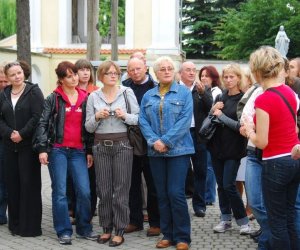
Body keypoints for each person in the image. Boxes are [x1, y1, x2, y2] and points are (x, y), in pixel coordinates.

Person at [35, 61, 97, 245]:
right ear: (61, 79)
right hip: (57, 150)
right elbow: (43, 124)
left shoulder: (86, 97)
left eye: (75, 74)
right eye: (69, 76)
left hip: (79, 151)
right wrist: (42, 149)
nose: (74, 78)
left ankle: (84, 228)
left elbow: (89, 128)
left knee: (85, 191)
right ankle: (63, 231)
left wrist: (89, 151)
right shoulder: (53, 98)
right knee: (60, 192)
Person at [244, 46, 300, 250]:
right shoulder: (290, 93)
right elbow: (294, 127)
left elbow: (262, 142)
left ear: (257, 71)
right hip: (294, 159)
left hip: (275, 163)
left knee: (276, 222)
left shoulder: (264, 98)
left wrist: (249, 130)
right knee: (290, 216)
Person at [139, 56, 194, 250]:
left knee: (175, 193)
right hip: (156, 152)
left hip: (178, 151)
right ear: (156, 72)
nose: (167, 71)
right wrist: (154, 141)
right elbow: (143, 121)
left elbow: (185, 121)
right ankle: (167, 234)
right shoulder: (148, 96)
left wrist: (166, 141)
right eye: (162, 69)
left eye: (170, 68)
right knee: (161, 194)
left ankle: (182, 237)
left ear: (175, 71)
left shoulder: (184, 93)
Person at [85, 60, 139, 247]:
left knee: (121, 190)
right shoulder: (93, 96)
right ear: (101, 76)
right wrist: (97, 117)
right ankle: (106, 229)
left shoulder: (127, 92)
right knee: (104, 190)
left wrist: (124, 116)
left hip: (122, 145)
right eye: (109, 73)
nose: (113, 75)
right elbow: (88, 127)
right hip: (100, 146)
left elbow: (137, 119)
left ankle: (120, 229)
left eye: (116, 72)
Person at [0, 61, 44, 236]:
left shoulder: (33, 91)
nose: (16, 76)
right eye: (12, 75)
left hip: (28, 147)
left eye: (19, 73)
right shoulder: (4, 94)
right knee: (13, 185)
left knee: (29, 185)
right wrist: (10, 133)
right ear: (8, 78)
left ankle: (30, 227)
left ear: (23, 73)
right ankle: (15, 225)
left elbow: (38, 116)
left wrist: (22, 134)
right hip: (9, 146)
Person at [207, 63, 251, 235]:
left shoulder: (243, 99)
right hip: (217, 147)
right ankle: (225, 219)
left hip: (234, 149)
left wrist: (221, 116)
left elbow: (240, 126)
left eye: (232, 76)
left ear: (239, 78)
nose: (228, 79)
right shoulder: (221, 96)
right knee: (221, 186)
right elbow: (212, 118)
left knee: (229, 185)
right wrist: (213, 110)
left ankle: (244, 222)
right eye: (225, 77)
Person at [122, 57, 160, 237]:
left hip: (150, 141)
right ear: (128, 71)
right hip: (130, 141)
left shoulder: (155, 86)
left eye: (138, 68)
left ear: (146, 68)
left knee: (153, 184)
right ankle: (134, 220)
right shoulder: (124, 87)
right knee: (132, 184)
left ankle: (155, 222)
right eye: (131, 69)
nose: (135, 72)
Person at [65, 59, 99, 224]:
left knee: (90, 179)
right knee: (73, 179)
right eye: (81, 69)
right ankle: (75, 210)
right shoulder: (71, 91)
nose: (85, 73)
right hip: (72, 141)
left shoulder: (97, 91)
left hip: (91, 140)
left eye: (88, 69)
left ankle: (89, 213)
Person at [179, 61, 213, 218]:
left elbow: (211, 109)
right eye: (188, 70)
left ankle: (199, 205)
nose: (192, 73)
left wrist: (203, 94)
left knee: (201, 171)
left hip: (198, 134)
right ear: (180, 73)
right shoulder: (176, 89)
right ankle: (180, 204)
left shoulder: (202, 89)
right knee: (181, 171)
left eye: (194, 70)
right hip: (180, 135)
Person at [239, 84, 271, 249]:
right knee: (255, 202)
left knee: (273, 203)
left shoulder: (288, 92)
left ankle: (268, 239)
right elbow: (243, 113)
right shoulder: (256, 90)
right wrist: (246, 126)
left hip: (275, 153)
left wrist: (252, 130)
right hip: (253, 151)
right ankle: (273, 232)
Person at [198, 66, 222, 205]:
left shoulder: (216, 92)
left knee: (209, 166)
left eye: (207, 76)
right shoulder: (204, 90)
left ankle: (209, 196)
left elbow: (210, 111)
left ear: (213, 78)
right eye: (202, 75)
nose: (204, 78)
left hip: (211, 133)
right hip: (204, 132)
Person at [0, 65, 8, 225]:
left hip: (6, 142)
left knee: (3, 180)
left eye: (5, 81)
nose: (3, 84)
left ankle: (1, 214)